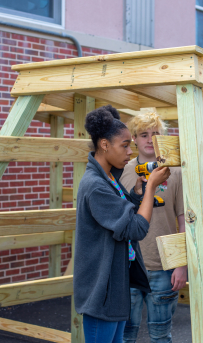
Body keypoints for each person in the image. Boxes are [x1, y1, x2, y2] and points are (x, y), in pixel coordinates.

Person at [74, 105, 171, 343]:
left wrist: (137, 195)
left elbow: (121, 215)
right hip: (102, 289)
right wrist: (150, 188)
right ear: (105, 145)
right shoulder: (95, 185)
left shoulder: (108, 178)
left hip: (114, 284)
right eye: (125, 145)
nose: (130, 151)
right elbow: (135, 228)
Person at [120, 112, 187, 343]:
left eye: (155, 134)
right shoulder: (123, 170)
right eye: (143, 134)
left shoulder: (175, 170)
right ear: (134, 139)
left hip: (164, 265)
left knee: (160, 336)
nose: (149, 139)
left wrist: (181, 264)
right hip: (129, 265)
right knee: (125, 335)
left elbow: (183, 220)